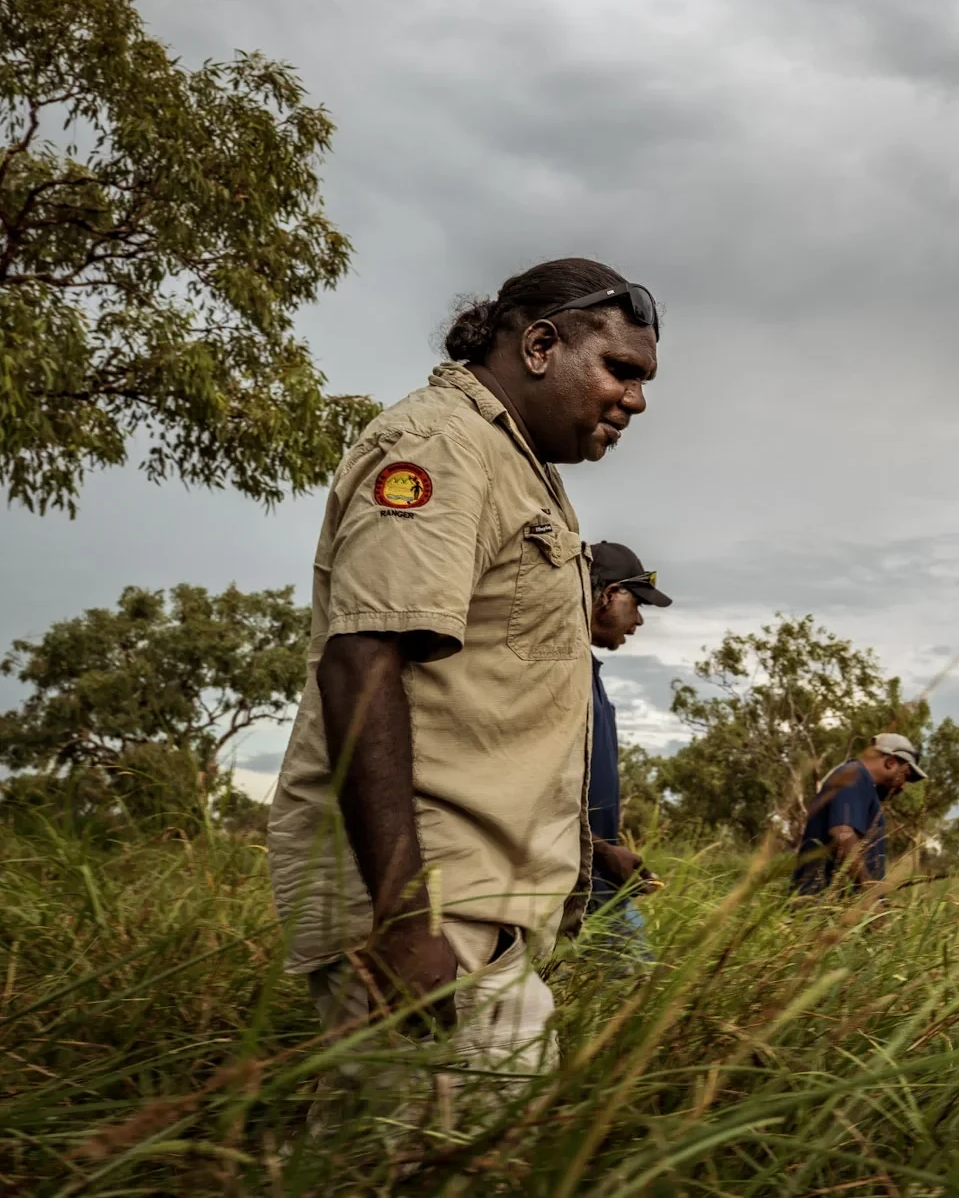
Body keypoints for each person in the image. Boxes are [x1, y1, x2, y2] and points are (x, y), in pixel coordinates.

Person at [265, 258, 659, 1121]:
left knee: (398, 1155)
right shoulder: (443, 444)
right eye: (620, 369)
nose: (635, 399)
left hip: (472, 897)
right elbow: (360, 658)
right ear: (542, 344)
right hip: (426, 898)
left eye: (642, 379)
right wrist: (407, 920)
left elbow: (486, 705)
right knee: (470, 1152)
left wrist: (589, 856)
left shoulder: (524, 469)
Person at [584, 539, 671, 961]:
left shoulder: (589, 675)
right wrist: (601, 852)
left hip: (600, 882)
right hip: (573, 883)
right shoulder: (555, 676)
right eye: (635, 605)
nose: (637, 621)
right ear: (607, 595)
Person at [791, 734, 925, 897]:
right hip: (818, 906)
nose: (903, 786)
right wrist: (869, 895)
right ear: (890, 762)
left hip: (834, 907)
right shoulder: (855, 775)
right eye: (905, 775)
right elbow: (843, 834)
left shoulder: (862, 783)